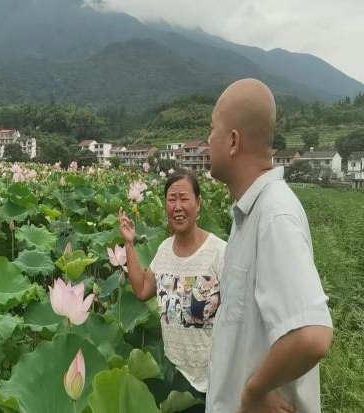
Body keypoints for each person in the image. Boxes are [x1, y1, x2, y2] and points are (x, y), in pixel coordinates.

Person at [206, 78, 333, 413]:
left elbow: (312, 335)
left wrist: (255, 392)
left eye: (212, 130)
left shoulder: (273, 214)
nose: (208, 141)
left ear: (232, 141)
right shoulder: (251, 212)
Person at [119, 170, 226, 406]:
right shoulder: (164, 250)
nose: (177, 207)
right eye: (171, 199)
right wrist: (129, 243)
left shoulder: (220, 252)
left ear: (198, 203)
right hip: (173, 375)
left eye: (184, 198)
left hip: (213, 381)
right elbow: (143, 289)